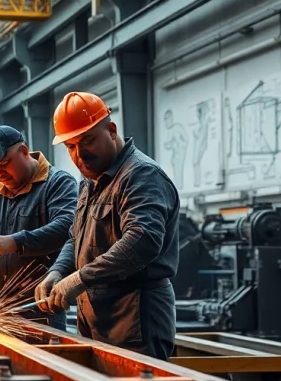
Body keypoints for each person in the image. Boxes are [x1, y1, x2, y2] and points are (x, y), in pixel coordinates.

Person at [36, 92, 179, 359]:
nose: (79, 155)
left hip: (134, 316)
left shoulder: (140, 175)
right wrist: (58, 271)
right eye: (70, 147)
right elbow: (74, 237)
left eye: (87, 141)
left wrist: (79, 279)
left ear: (111, 130)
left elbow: (142, 241)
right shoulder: (91, 180)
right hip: (95, 315)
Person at [0, 125, 78, 331]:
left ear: (24, 152)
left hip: (41, 310)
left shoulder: (58, 183)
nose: (0, 174)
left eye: (4, 164)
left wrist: (16, 242)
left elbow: (67, 228)